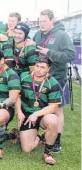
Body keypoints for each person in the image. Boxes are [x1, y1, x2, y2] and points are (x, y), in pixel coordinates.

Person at [33, 9, 76, 152]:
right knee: (41, 107)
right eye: (40, 21)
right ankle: (45, 135)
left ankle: (56, 141)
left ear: (52, 20)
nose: (42, 24)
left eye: (44, 21)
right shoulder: (37, 35)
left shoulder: (61, 35)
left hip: (57, 78)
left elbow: (71, 54)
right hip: (40, 78)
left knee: (57, 110)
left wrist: (50, 53)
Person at [16, 56, 61, 165]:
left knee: (53, 120)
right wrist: (19, 112)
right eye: (37, 66)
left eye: (42, 67)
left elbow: (53, 107)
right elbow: (17, 96)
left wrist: (36, 114)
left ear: (48, 69)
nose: (38, 69)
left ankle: (48, 152)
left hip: (43, 114)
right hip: (27, 114)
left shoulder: (53, 83)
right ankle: (41, 135)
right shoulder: (23, 76)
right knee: (26, 149)